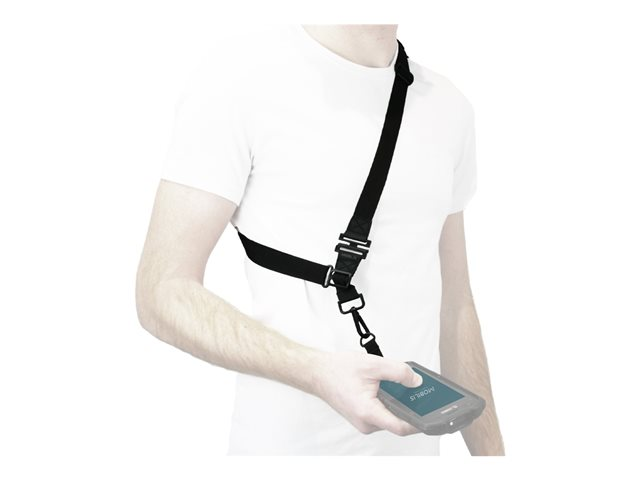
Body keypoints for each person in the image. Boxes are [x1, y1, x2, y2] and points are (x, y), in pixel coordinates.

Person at [135, 24, 505, 455]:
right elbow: (161, 290)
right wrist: (314, 371)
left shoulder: (448, 106)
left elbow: (454, 305)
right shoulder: (239, 78)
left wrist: (493, 458)